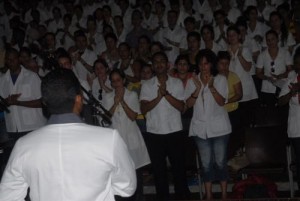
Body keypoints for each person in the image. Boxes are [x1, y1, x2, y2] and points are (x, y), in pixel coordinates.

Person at [0, 68, 137, 201]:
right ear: (79, 99)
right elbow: (127, 187)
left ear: (45, 102)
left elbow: (7, 195)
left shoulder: (24, 145)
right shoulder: (109, 139)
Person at [140, 51, 190, 200]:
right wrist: (159, 96)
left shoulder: (176, 83)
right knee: (159, 172)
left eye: (162, 61)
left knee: (179, 170)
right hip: (154, 134)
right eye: (156, 62)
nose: (159, 64)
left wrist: (166, 94)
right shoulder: (147, 84)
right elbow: (143, 109)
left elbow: (182, 107)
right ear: (153, 66)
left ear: (168, 64)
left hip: (174, 131)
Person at [185, 49, 231, 200]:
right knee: (205, 164)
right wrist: (198, 89)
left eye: (206, 63)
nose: (203, 66)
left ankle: (224, 194)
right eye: (200, 63)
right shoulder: (193, 80)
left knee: (220, 162)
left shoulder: (220, 79)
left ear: (211, 64)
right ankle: (209, 194)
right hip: (200, 129)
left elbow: (221, 102)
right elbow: (188, 104)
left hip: (219, 128)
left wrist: (211, 87)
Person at [103, 69, 150, 201]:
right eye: (113, 81)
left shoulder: (132, 95)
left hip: (131, 137)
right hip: (116, 139)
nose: (116, 83)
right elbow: (106, 118)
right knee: (119, 171)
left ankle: (139, 197)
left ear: (123, 80)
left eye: (118, 80)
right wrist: (115, 103)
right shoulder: (107, 97)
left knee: (136, 172)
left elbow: (133, 116)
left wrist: (122, 102)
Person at [0, 48, 46, 141]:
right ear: (5, 61)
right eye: (9, 59)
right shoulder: (2, 80)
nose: (11, 62)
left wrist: (18, 103)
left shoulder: (32, 76)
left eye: (14, 59)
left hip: (33, 126)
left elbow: (43, 102)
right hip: (13, 128)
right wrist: (6, 102)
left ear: (19, 59)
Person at [278, 49, 300, 193]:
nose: (298, 65)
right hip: (297, 129)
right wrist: (292, 92)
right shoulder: (292, 79)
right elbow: (280, 101)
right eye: (296, 62)